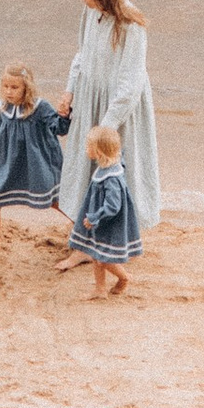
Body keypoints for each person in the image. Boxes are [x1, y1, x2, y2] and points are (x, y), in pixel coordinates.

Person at [55, 0, 159, 267]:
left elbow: (130, 82)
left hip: (118, 108)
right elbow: (82, 54)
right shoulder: (91, 12)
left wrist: (106, 128)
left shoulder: (131, 25)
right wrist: (70, 90)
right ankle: (84, 236)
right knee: (83, 167)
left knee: (109, 173)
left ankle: (97, 242)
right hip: (90, 98)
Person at [0, 65, 66, 255]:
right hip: (8, 164)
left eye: (14, 87)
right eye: (5, 86)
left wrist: (64, 114)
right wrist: (1, 160)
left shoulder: (40, 107)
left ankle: (87, 232)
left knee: (55, 201)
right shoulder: (1, 108)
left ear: (26, 88)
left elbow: (59, 129)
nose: (9, 92)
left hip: (37, 165)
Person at [69, 120, 138, 296]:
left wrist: (95, 217)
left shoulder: (111, 178)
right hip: (100, 221)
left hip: (108, 224)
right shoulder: (108, 166)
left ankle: (124, 277)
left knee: (103, 258)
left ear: (98, 150)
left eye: (88, 145)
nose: (86, 148)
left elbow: (113, 206)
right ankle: (100, 289)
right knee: (95, 254)